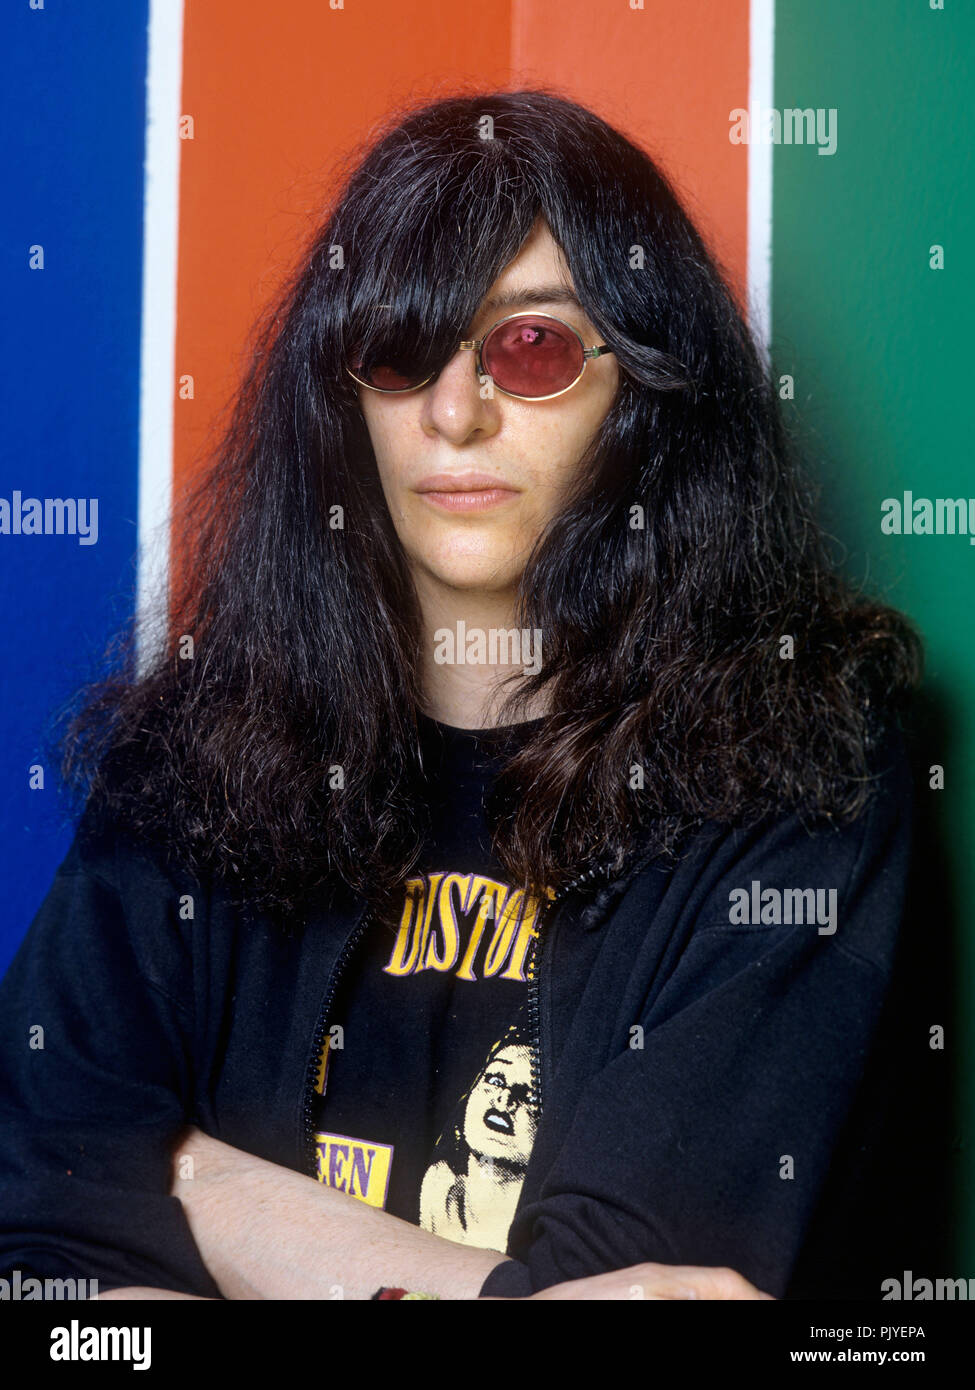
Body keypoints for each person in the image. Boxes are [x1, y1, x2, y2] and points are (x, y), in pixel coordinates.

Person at [0, 88, 922, 1302]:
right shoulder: (192, 755)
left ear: (642, 390)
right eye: (400, 346)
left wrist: (192, 1180)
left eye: (529, 347)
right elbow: (39, 1265)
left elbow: (647, 1293)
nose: (453, 411)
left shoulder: (804, 758)